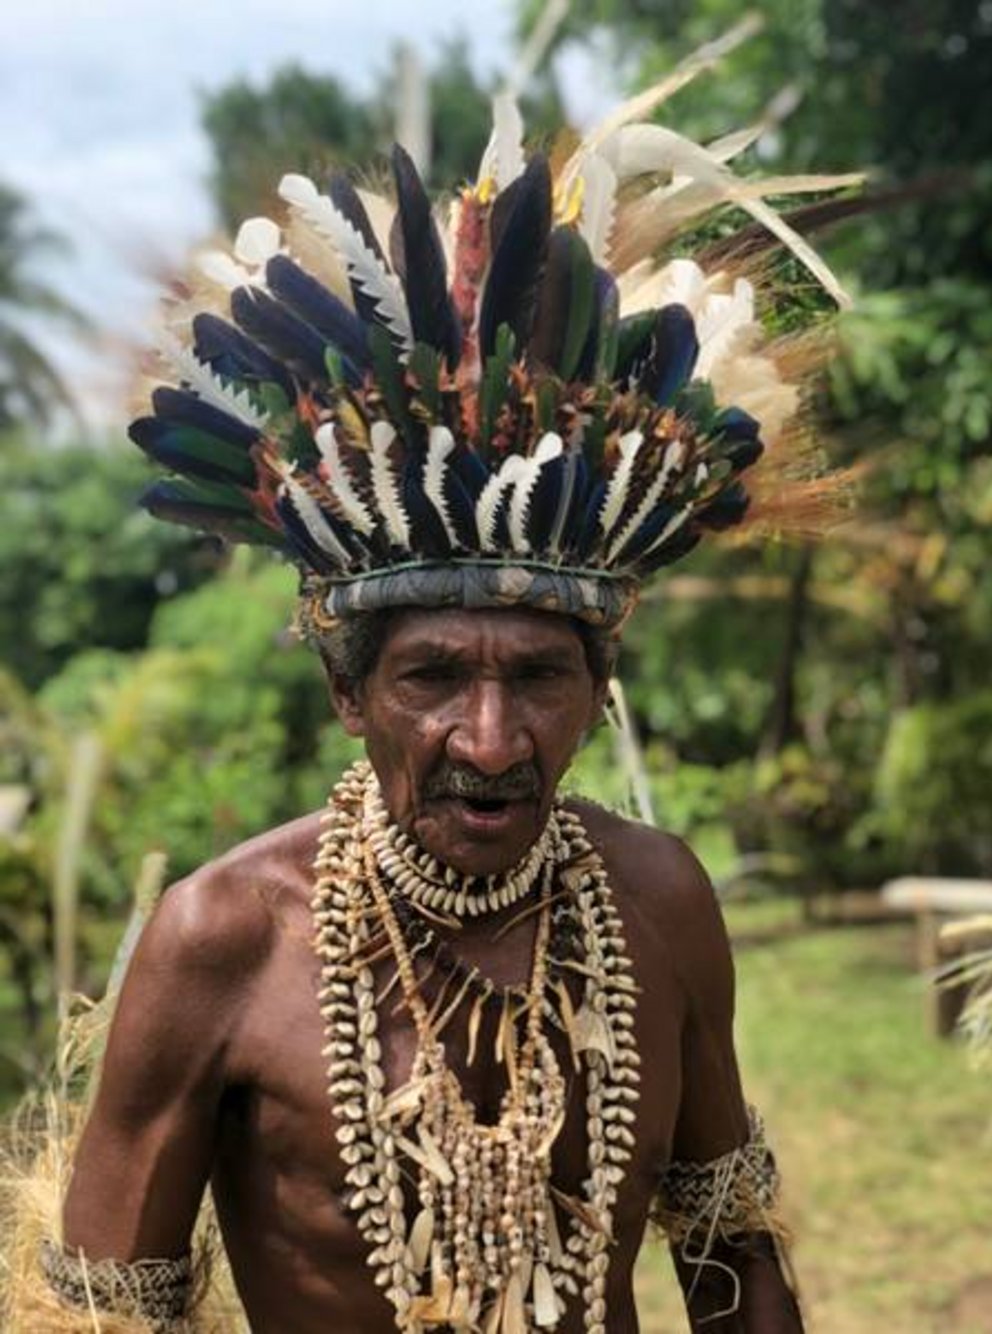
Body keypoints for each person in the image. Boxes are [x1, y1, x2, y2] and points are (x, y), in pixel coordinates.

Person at [25, 61, 855, 1333]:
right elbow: (99, 1316)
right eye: (430, 675)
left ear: (601, 685)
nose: (489, 737)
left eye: (538, 675)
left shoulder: (660, 903)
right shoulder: (223, 943)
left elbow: (733, 1269)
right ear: (346, 690)